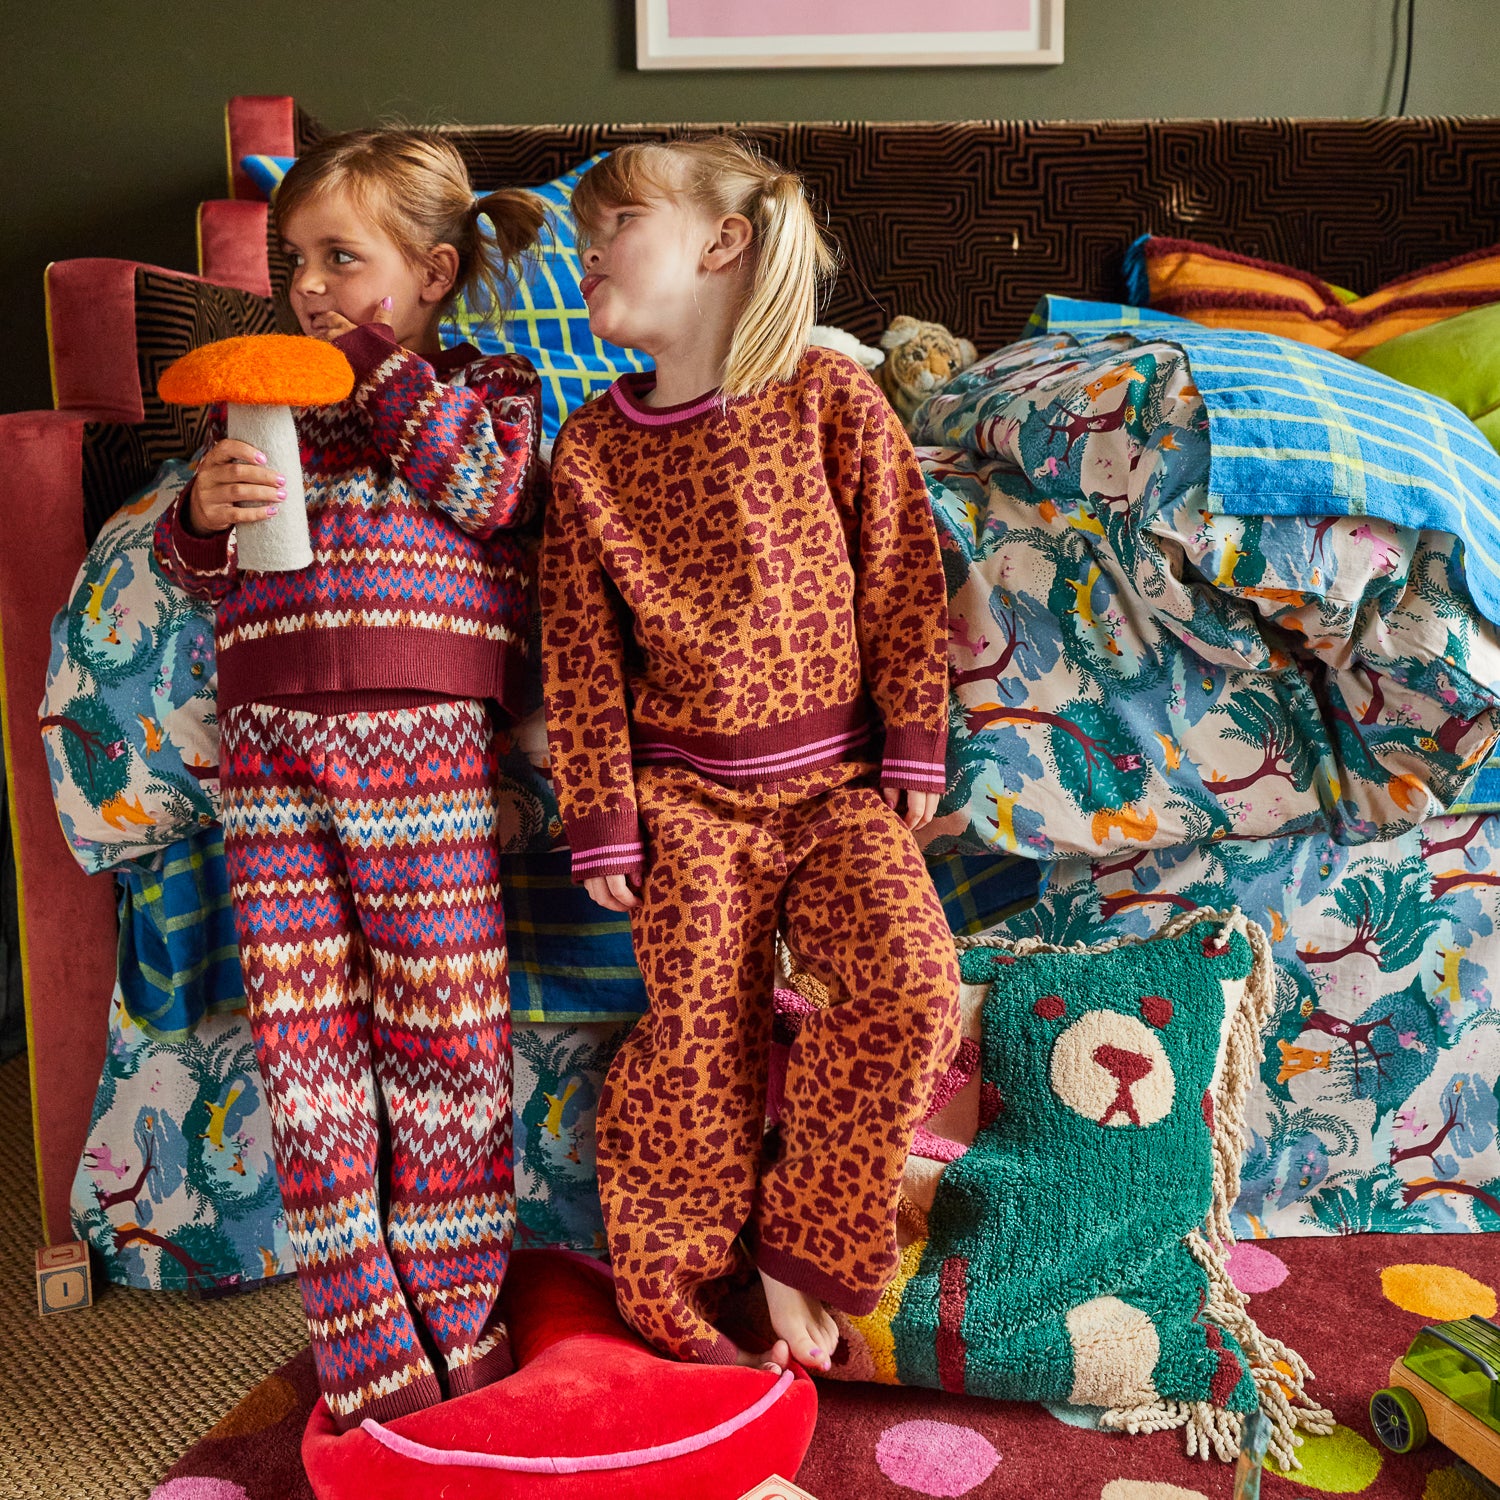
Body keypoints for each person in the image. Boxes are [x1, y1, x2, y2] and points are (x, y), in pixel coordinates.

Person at [539, 137, 961, 1377]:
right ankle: (671, 1296)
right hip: (685, 805)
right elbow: (577, 648)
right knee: (692, 1043)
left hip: (838, 794)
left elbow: (902, 575)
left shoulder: (831, 399)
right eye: (581, 238)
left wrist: (916, 740)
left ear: (722, 243)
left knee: (913, 990)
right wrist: (601, 816)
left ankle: (802, 1248)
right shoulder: (590, 450)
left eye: (616, 226)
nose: (588, 253)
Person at [154, 128, 546, 1431]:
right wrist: (200, 517)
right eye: (293, 262)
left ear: (432, 274)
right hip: (268, 744)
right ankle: (363, 1338)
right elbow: (197, 569)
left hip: (424, 747)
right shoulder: (265, 405)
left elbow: (488, 492)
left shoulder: (485, 387)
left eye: (341, 260)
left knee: (447, 1037)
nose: (308, 287)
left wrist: (374, 362)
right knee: (303, 1044)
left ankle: (459, 1317)